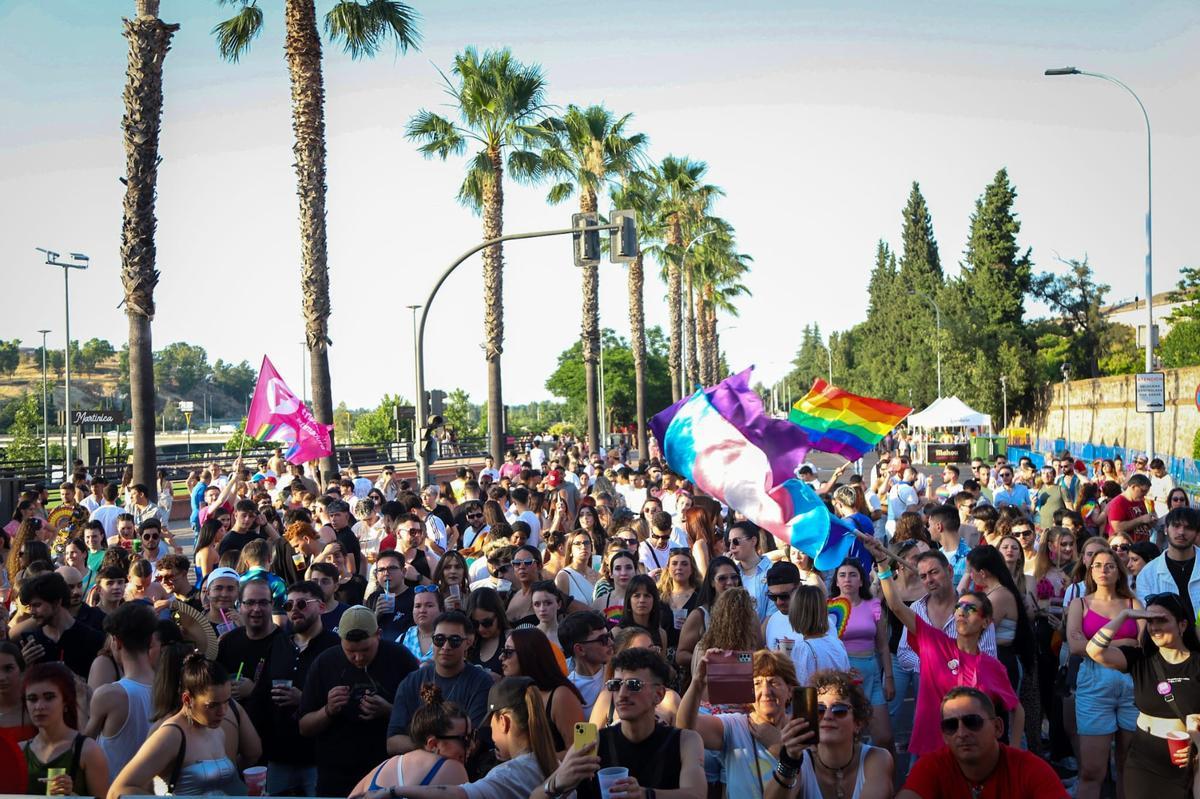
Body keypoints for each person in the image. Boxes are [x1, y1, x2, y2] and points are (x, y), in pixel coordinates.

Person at [860, 534, 1017, 759]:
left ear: (950, 572)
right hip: (930, 731)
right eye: (923, 576)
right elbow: (895, 608)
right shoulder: (920, 615)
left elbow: (1008, 697)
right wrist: (931, 661)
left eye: (934, 572)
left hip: (970, 730)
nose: (929, 580)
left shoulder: (974, 609)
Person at [534, 647, 706, 799]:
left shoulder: (685, 741)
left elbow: (696, 794)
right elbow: (535, 796)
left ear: (659, 695)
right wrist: (557, 783)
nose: (622, 694)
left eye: (633, 685)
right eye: (615, 685)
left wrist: (645, 794)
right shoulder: (593, 742)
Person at [299, 605, 420, 796]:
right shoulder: (325, 663)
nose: (358, 657)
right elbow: (304, 727)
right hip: (335, 775)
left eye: (365, 650)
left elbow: (424, 720)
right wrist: (328, 710)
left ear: (378, 634)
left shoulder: (400, 658)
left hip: (387, 772)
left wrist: (390, 710)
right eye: (350, 651)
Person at [1064, 544, 1142, 799]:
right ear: (1089, 570)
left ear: (1119, 571)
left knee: (1129, 768)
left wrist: (1097, 645)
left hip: (1132, 683)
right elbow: (1075, 646)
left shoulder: (1133, 602)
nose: (1103, 570)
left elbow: (1142, 646)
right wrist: (1121, 643)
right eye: (1097, 565)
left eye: (1109, 565)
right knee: (1091, 770)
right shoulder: (1080, 603)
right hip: (1094, 683)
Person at [108, 654, 246, 797]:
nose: (222, 712)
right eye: (212, 705)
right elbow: (117, 790)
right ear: (187, 699)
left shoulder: (217, 731)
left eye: (227, 702)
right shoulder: (170, 735)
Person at [250, 579, 339, 796]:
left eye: (302, 604)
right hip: (279, 756)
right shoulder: (279, 644)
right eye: (289, 606)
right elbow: (260, 695)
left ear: (321, 606)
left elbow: (341, 699)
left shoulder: (335, 647)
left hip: (319, 757)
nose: (294, 610)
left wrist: (304, 700)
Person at [897, 687, 1067, 798]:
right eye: (951, 726)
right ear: (944, 735)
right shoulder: (931, 767)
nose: (962, 733)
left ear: (998, 727)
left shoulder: (1030, 770)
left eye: (972, 722)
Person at [763, 668, 894, 799]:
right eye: (819, 709)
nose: (827, 716)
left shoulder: (877, 758)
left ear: (858, 723)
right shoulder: (801, 763)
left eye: (839, 709)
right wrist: (789, 761)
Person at [386, 610, 493, 755]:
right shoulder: (412, 681)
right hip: (418, 769)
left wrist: (432, 746)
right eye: (439, 639)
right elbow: (393, 742)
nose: (446, 647)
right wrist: (433, 747)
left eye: (454, 640)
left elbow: (474, 743)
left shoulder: (481, 682)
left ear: (468, 643)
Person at [352, 684, 471, 794]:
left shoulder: (381, 768)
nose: (472, 745)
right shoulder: (453, 769)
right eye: (463, 739)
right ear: (433, 744)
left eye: (472, 736)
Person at [830, 557, 894, 754]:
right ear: (837, 581)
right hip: (844, 676)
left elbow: (883, 646)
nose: (847, 579)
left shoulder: (873, 604)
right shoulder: (829, 607)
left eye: (852, 575)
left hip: (872, 673)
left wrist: (889, 678)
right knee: (850, 737)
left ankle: (888, 781)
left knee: (884, 737)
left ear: (861, 580)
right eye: (842, 575)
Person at [86, 602, 157, 781]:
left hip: (113, 790)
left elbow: (83, 747)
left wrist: (80, 700)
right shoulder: (171, 688)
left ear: (116, 642)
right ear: (150, 641)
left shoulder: (109, 695)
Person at [21, 662, 110, 797]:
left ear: (66, 702)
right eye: (32, 699)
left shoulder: (88, 750)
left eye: (49, 697)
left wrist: (72, 795)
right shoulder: (21, 751)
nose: (39, 706)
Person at [500, 626, 585, 754]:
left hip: (558, 773)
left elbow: (581, 750)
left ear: (528, 654)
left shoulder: (561, 696)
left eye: (508, 652)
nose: (501, 657)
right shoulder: (515, 693)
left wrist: (534, 763)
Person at [15, 572, 105, 680]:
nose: (32, 612)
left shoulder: (93, 639)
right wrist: (22, 667)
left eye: (37, 605)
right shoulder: (31, 644)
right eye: (30, 606)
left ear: (57, 602)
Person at [676, 555, 743, 676]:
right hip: (707, 684)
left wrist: (738, 660)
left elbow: (757, 651)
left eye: (734, 577)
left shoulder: (748, 614)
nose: (730, 582)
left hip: (741, 680)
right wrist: (710, 661)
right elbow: (681, 655)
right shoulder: (700, 615)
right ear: (712, 582)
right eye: (722, 578)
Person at [1135, 506, 1200, 624]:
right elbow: (1147, 617)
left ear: (1196, 533)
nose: (1181, 532)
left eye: (1188, 528)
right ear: (1166, 529)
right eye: (1176, 526)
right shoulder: (1148, 573)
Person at [560, 610, 613, 718]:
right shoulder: (567, 691)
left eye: (609, 636)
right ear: (580, 649)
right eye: (603, 639)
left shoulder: (618, 675)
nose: (611, 643)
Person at [465, 587, 509, 676]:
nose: (481, 628)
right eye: (475, 623)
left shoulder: (510, 639)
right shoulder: (469, 641)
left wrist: (501, 681)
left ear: (498, 615)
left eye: (487, 623)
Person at [592, 549, 637, 627]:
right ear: (611, 573)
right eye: (618, 568)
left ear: (636, 571)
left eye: (628, 567)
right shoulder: (599, 604)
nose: (623, 573)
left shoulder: (645, 600)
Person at [555, 530, 600, 607]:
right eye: (577, 544)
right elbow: (560, 608)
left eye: (586, 543)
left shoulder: (598, 575)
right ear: (570, 550)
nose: (583, 547)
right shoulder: (564, 576)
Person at [1107, 473, 1157, 542]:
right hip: (1125, 547)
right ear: (1133, 487)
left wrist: (1151, 521)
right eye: (1142, 491)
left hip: (1142, 546)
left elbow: (1143, 525)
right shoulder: (1118, 502)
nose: (1144, 494)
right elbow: (1117, 528)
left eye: (1146, 492)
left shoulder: (1139, 500)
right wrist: (1141, 519)